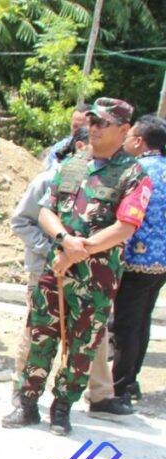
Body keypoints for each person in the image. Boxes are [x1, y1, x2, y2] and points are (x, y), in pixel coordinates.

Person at [4, 98, 151, 435]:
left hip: (95, 276)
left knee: (82, 344)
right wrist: (63, 240)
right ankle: (27, 404)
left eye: (103, 124)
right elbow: (45, 210)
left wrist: (78, 249)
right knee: (40, 335)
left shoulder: (133, 175)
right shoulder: (71, 164)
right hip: (56, 266)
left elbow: (125, 227)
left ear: (124, 130)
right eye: (92, 123)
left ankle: (62, 408)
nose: (94, 129)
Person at [113, 114, 166, 402]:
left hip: (136, 260)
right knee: (142, 321)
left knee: (125, 325)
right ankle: (131, 380)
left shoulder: (136, 171)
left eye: (129, 135)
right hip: (161, 263)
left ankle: (119, 386)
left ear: (139, 141)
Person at [43, 104, 91, 171]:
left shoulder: (100, 152)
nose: (79, 131)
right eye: (75, 126)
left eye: (83, 127)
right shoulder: (57, 150)